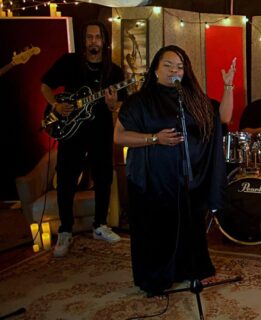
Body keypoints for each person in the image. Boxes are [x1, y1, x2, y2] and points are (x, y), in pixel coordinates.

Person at [114, 45, 226, 296]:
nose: (174, 70)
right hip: (152, 181)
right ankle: (156, 277)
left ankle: (188, 269)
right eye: (168, 65)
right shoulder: (139, 101)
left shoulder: (191, 99)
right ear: (155, 69)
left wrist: (227, 86)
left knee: (188, 226)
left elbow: (222, 118)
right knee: (156, 230)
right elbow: (119, 137)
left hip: (185, 180)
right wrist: (155, 138)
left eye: (180, 66)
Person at [40, 20, 125, 257]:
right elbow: (45, 86)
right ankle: (65, 230)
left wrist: (112, 104)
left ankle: (100, 225)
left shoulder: (114, 72)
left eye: (97, 37)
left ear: (104, 41)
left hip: (100, 132)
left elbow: (119, 105)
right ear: (84, 40)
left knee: (104, 177)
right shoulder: (70, 62)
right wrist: (55, 105)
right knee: (66, 179)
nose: (93, 41)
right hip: (70, 132)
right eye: (89, 37)